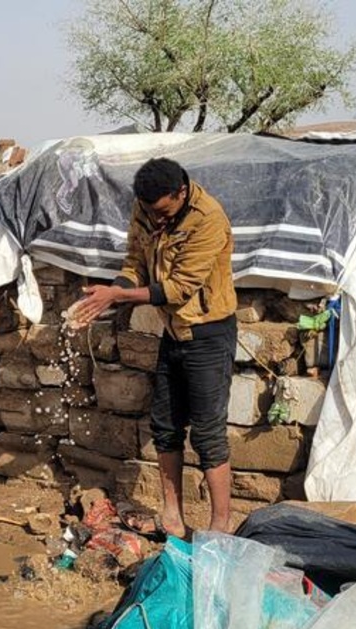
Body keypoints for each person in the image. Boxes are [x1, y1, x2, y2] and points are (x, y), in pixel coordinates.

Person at [71, 157, 237, 537]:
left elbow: (178, 288)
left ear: (181, 193)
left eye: (162, 211)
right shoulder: (145, 207)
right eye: (149, 211)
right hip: (174, 333)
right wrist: (113, 288)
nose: (155, 219)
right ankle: (173, 518)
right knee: (165, 427)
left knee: (208, 434)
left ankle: (220, 527)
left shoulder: (208, 219)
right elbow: (135, 263)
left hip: (207, 332)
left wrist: (119, 295)